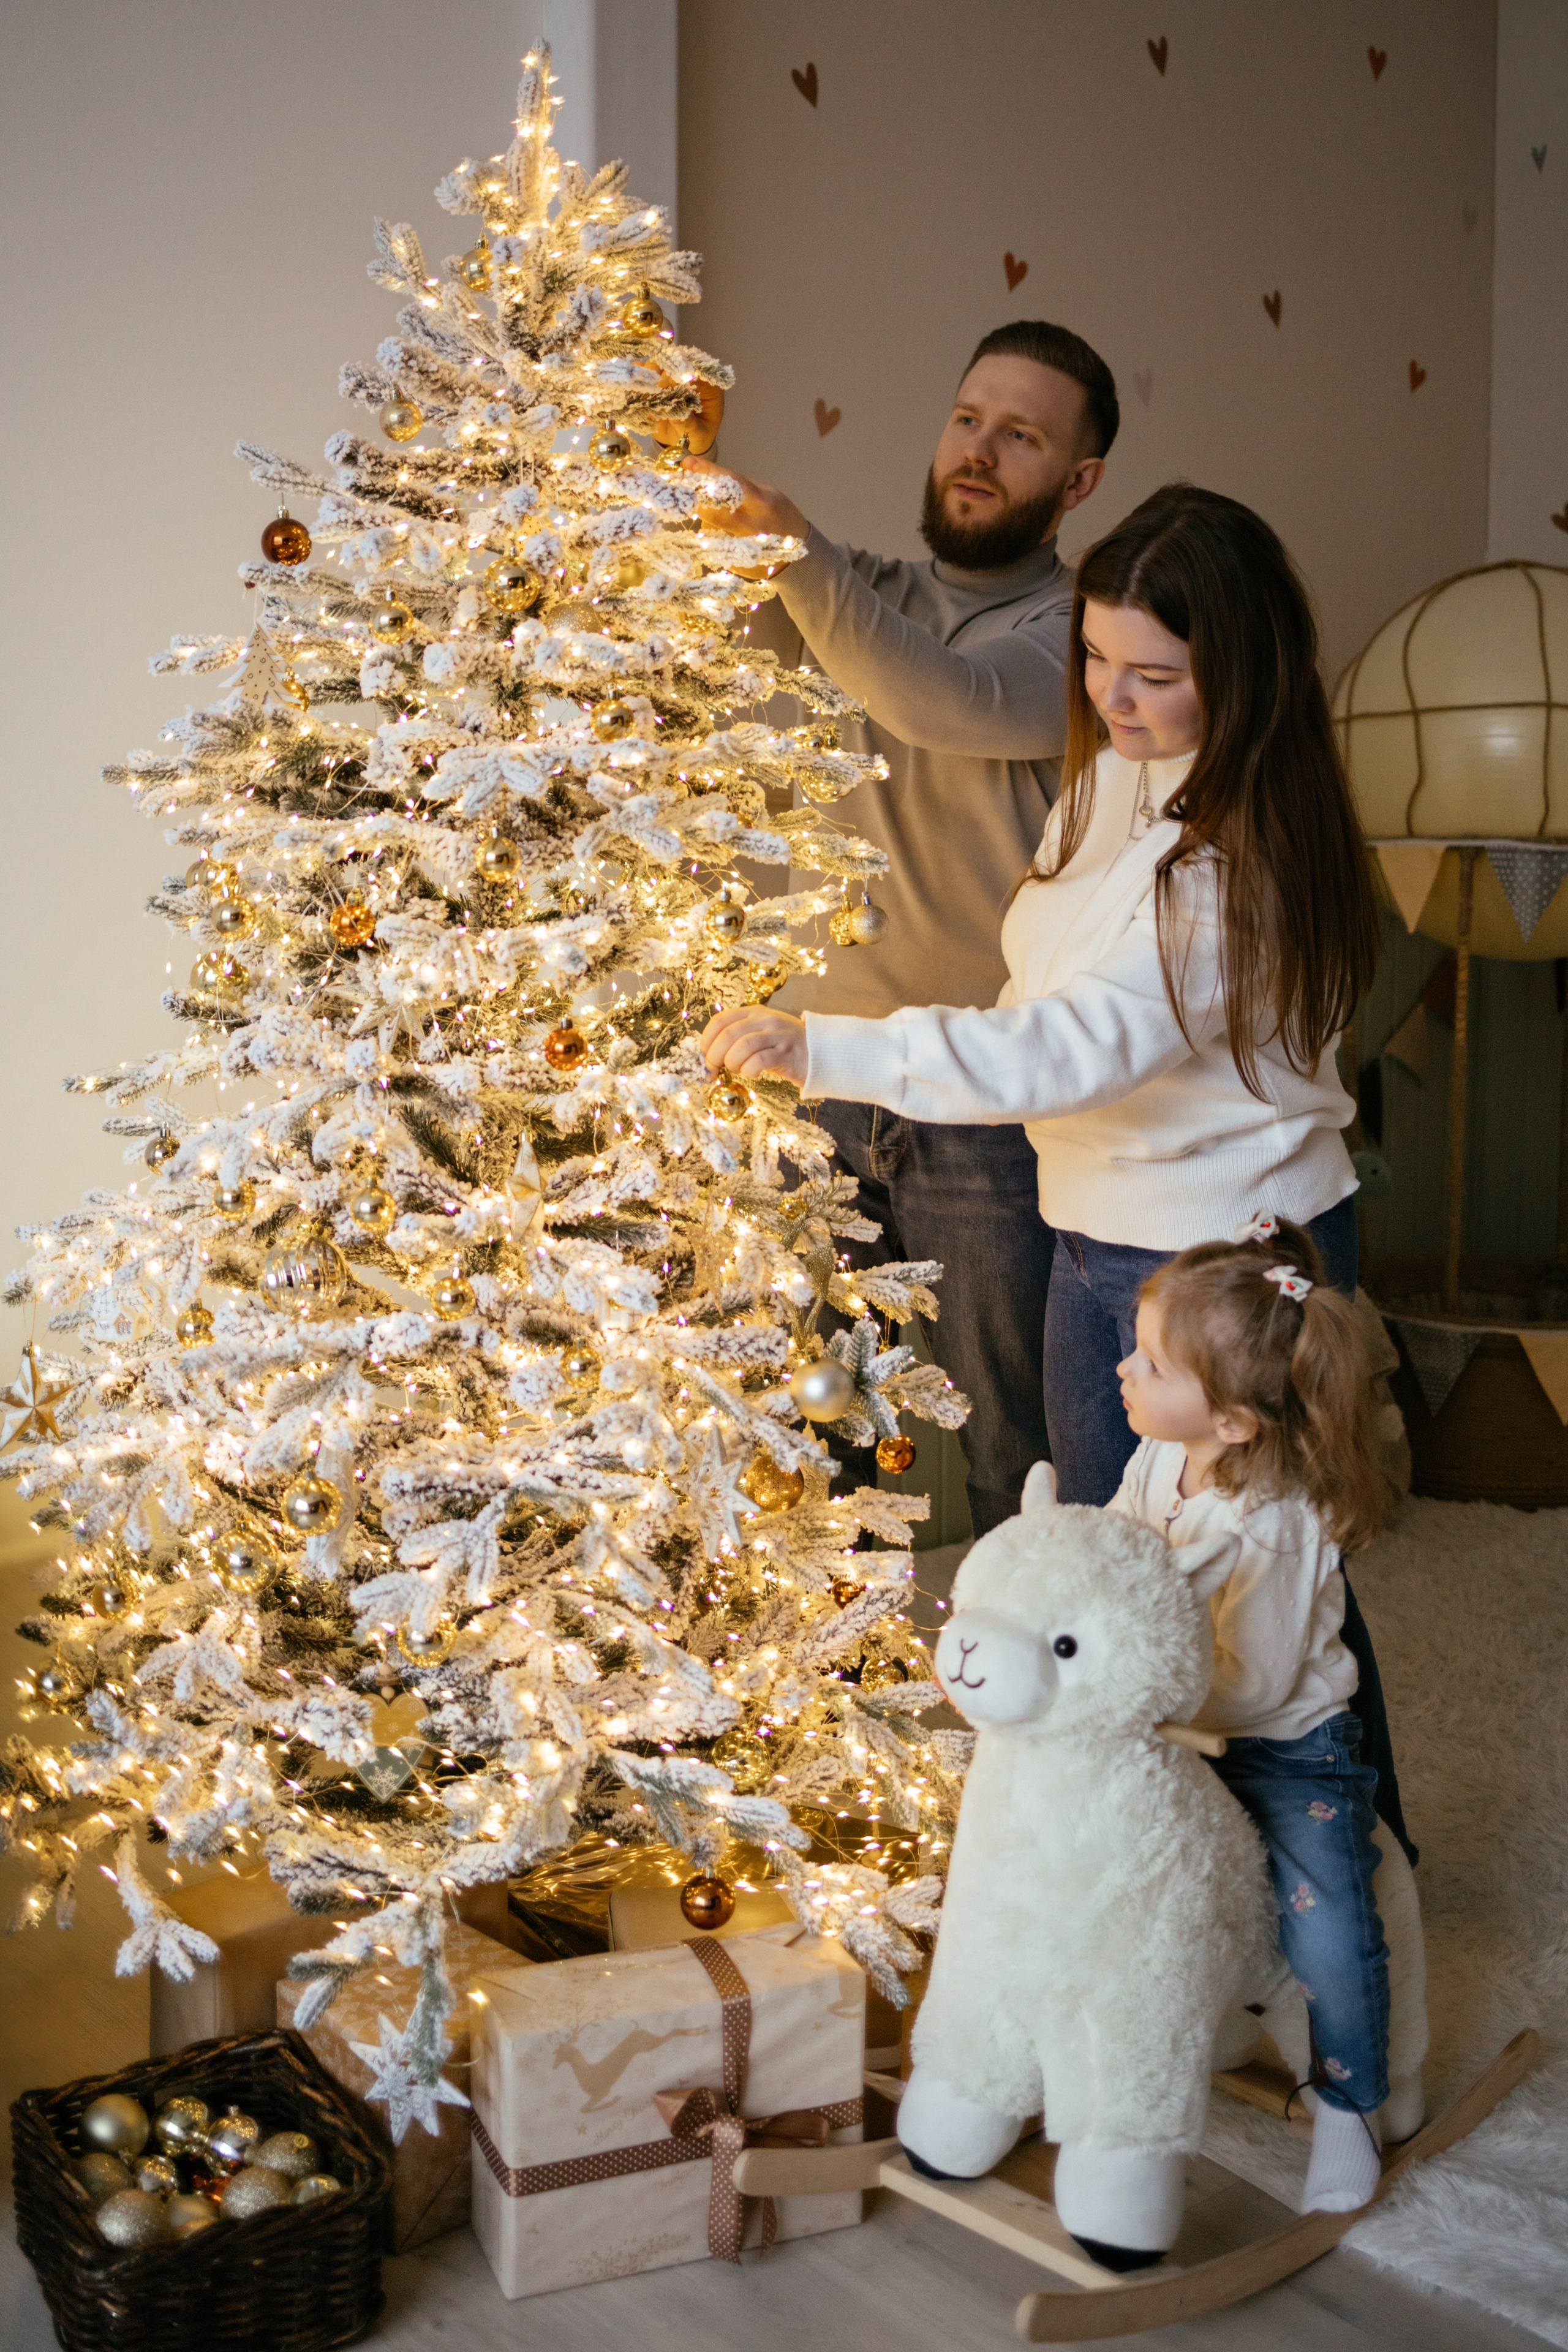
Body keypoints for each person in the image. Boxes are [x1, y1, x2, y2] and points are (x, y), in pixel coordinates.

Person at [699, 480, 1415, 1861]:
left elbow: (1065, 1049)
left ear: (1242, 673)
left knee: (1259, 1598)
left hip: (1210, 1254)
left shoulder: (1233, 865)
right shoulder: (1114, 779)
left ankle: (1345, 1871)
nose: (1111, 696)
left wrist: (825, 1046)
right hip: (1097, 1238)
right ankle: (1154, 1860)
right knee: (1122, 1577)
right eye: (1095, 659)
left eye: (1154, 675)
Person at [658, 322, 1115, 1534]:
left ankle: (1049, 1696)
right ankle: (832, 1696)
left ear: (1077, 484)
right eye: (968, 419)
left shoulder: (1082, 636)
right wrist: (675, 457)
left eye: (1021, 437)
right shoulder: (860, 596)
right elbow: (717, 612)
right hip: (802, 1082)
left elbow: (937, 700)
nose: (979, 451)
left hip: (977, 1102)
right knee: (810, 1437)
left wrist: (795, 544)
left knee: (1018, 1440)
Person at [1111, 1215, 1416, 2214]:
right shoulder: (1160, 1457)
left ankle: (1349, 2102)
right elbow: (1116, 1554)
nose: (1126, 1369)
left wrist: (1138, 1687)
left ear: (1235, 1421)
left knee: (1325, 1919)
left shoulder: (1277, 1521)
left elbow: (1251, 1687)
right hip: (1169, 1729)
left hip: (1287, 1751)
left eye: (1151, 1363)